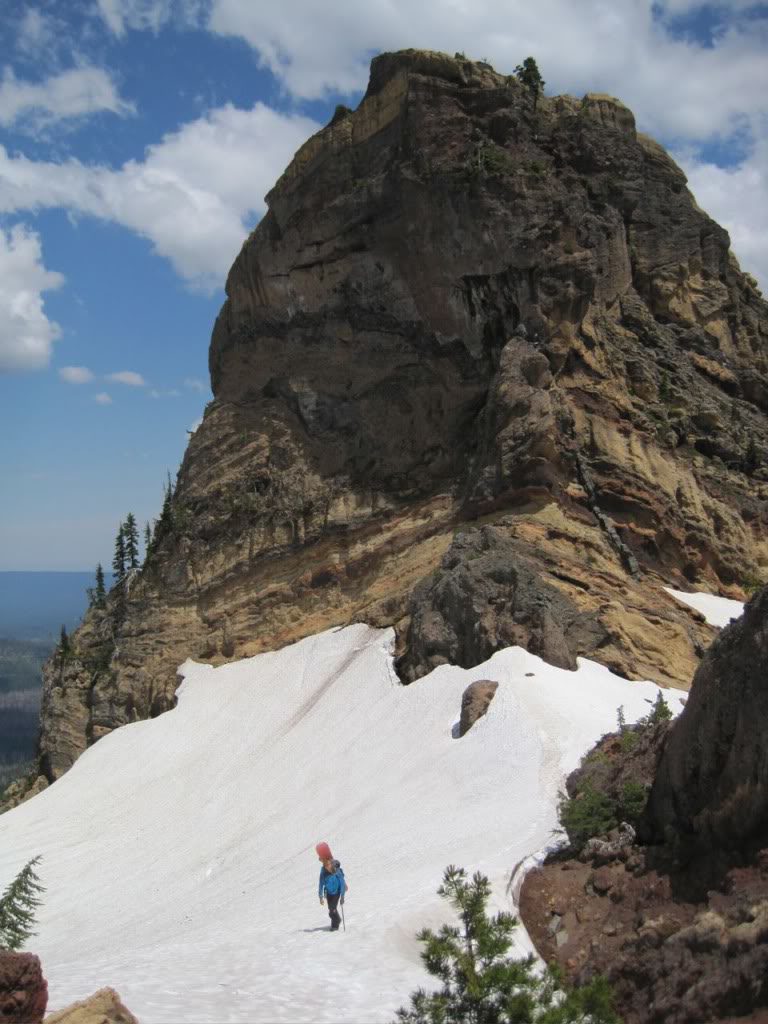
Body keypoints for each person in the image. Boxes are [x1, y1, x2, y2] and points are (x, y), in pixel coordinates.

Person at [316, 842, 347, 931]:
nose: (328, 867)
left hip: (336, 892)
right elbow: (321, 884)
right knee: (331, 910)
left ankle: (335, 925)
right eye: (326, 866)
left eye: (329, 865)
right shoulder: (323, 872)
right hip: (329, 893)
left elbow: (341, 883)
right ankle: (337, 919)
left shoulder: (337, 871)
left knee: (332, 909)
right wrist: (321, 896)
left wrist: (342, 896)